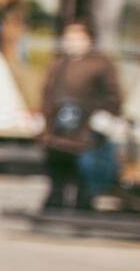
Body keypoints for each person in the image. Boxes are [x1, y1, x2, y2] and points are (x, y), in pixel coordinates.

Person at [39, 20, 125, 211]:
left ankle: (83, 206)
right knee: (57, 171)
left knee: (83, 174)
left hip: (85, 130)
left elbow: (113, 95)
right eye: (69, 38)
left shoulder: (100, 64)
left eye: (78, 38)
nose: (73, 42)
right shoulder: (59, 62)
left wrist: (100, 114)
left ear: (89, 40)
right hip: (59, 129)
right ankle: (55, 203)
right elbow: (48, 93)